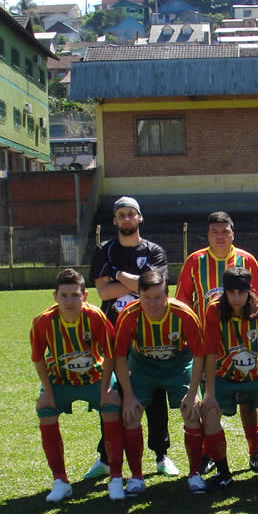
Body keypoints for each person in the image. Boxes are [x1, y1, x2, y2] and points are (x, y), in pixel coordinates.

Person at [87, 196, 177, 480]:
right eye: (121, 215)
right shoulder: (104, 249)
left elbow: (153, 290)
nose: (126, 218)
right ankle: (105, 457)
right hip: (112, 330)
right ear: (114, 220)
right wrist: (137, 282)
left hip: (148, 330)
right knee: (113, 393)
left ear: (140, 218)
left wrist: (117, 275)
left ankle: (161, 454)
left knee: (154, 393)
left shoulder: (154, 251)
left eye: (131, 214)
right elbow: (103, 293)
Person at [176, 211, 258, 472]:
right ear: (208, 235)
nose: (220, 236)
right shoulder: (195, 261)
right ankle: (208, 454)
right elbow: (183, 300)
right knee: (208, 402)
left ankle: (255, 451)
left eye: (224, 231)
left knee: (248, 403)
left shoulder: (247, 260)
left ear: (232, 234)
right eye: (214, 231)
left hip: (244, 345)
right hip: (209, 347)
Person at [30, 269, 129, 502]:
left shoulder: (95, 317)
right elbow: (38, 358)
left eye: (74, 295)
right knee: (44, 411)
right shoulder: (43, 322)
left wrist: (106, 389)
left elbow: (110, 355)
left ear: (84, 296)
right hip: (60, 380)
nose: (69, 301)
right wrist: (47, 390)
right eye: (64, 295)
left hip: (95, 377)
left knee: (113, 405)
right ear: (55, 296)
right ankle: (60, 481)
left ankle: (115, 477)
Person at [113, 270, 205, 495]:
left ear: (167, 296)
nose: (152, 304)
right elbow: (120, 358)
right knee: (131, 413)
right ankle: (136, 477)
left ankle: (195, 474)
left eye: (157, 298)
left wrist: (193, 393)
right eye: (147, 298)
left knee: (192, 412)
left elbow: (200, 356)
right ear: (139, 296)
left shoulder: (184, 314)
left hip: (178, 366)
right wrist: (129, 396)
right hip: (143, 367)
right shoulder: (128, 315)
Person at [201, 268, 258, 488]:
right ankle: (223, 472)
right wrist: (209, 394)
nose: (236, 298)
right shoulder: (213, 311)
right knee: (209, 412)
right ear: (224, 292)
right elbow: (209, 354)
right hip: (224, 376)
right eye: (231, 292)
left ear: (250, 291)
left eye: (241, 292)